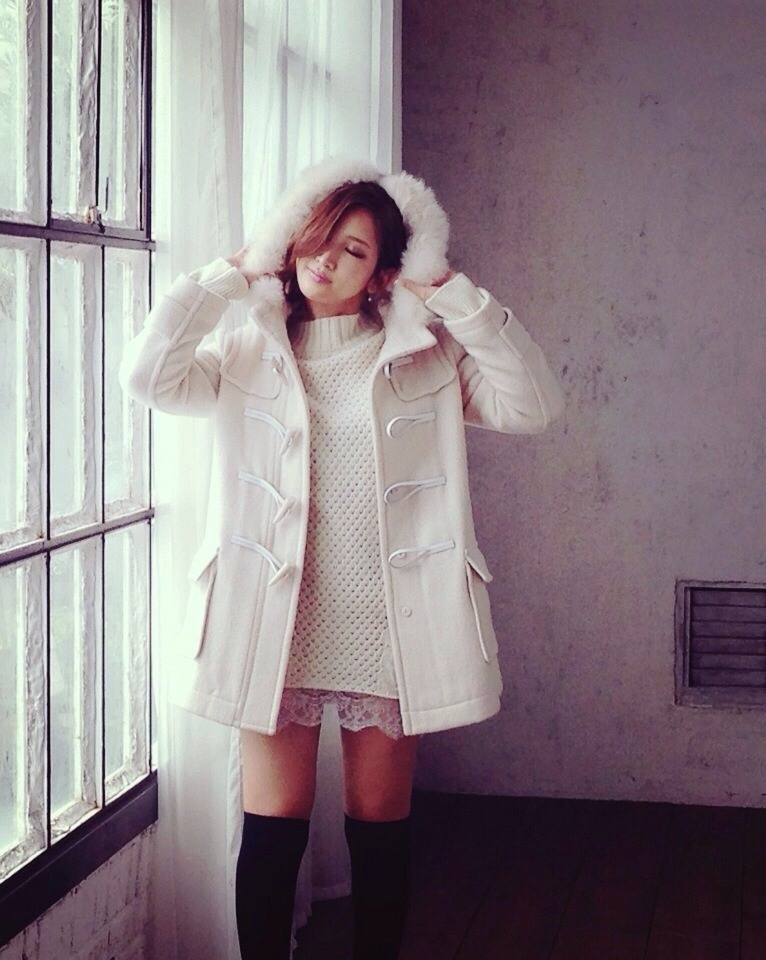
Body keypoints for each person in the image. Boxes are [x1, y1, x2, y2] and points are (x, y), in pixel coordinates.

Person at [117, 156, 566, 960]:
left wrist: (450, 293)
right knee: (271, 831)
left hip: (391, 625)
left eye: (353, 250)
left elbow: (533, 404)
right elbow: (148, 375)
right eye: (317, 238)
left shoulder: (426, 356)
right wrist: (229, 275)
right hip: (275, 621)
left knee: (379, 832)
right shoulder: (246, 350)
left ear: (385, 273)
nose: (326, 259)